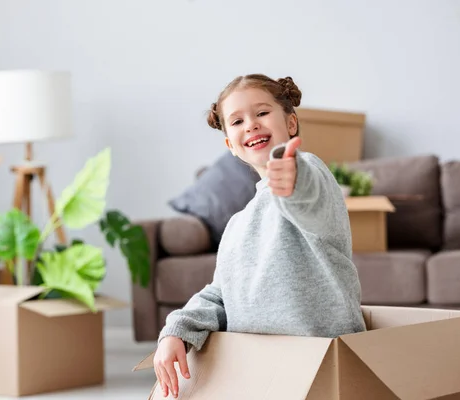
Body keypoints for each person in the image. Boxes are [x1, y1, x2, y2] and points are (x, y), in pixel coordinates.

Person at [153, 74, 366, 398]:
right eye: (237, 120)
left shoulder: (309, 172)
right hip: (260, 370)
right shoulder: (238, 223)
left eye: (262, 113)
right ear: (231, 147)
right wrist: (177, 330)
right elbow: (220, 295)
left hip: (323, 362)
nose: (251, 124)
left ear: (291, 123)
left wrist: (292, 178)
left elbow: (310, 199)